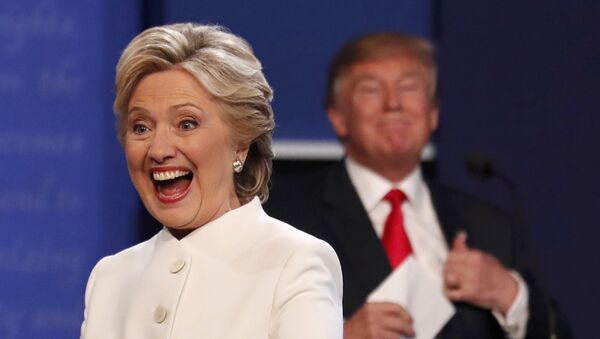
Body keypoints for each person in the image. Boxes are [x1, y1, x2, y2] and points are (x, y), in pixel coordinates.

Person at [264, 32, 569, 338]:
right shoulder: (284, 218)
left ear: (433, 113)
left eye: (409, 87)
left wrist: (508, 294)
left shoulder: (491, 227)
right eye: (371, 90)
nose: (393, 103)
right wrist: (341, 334)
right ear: (338, 117)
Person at [80, 23, 343, 339]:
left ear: (241, 142)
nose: (159, 150)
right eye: (140, 127)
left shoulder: (295, 262)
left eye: (186, 124)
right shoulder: (110, 278)